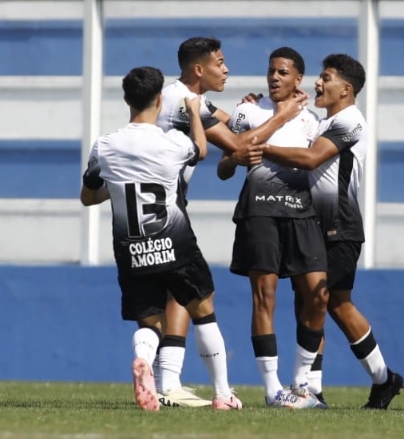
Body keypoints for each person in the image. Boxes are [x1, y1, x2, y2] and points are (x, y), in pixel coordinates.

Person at [153, 37, 307, 407]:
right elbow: (238, 148)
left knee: (176, 293)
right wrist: (282, 117)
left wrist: (253, 110)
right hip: (166, 204)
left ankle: (165, 379)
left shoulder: (192, 101)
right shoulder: (181, 100)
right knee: (198, 294)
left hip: (160, 202)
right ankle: (175, 383)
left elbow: (235, 129)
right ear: (198, 69)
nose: (227, 70)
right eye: (220, 63)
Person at [80, 66, 242, 411]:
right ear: (158, 99)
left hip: (131, 247)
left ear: (126, 100)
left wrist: (122, 186)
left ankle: (143, 360)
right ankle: (223, 393)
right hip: (175, 243)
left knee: (150, 323)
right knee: (204, 310)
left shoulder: (105, 146)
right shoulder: (172, 142)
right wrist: (195, 113)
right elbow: (200, 150)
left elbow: (88, 197)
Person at [258, 53, 404, 410]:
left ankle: (384, 378)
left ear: (346, 88)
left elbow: (310, 159)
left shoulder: (351, 121)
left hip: (340, 223)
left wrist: (257, 145)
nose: (318, 84)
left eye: (326, 77)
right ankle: (313, 388)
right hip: (308, 221)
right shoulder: (321, 122)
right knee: (307, 302)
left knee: (334, 302)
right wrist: (259, 109)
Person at [218, 46, 328, 409]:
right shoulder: (248, 110)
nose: (275, 77)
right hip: (259, 211)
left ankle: (302, 381)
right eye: (271, 71)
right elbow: (223, 167)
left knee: (317, 294)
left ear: (299, 79)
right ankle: (271, 389)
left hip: (301, 212)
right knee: (264, 297)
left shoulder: (312, 119)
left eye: (283, 72)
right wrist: (236, 156)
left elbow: (317, 163)